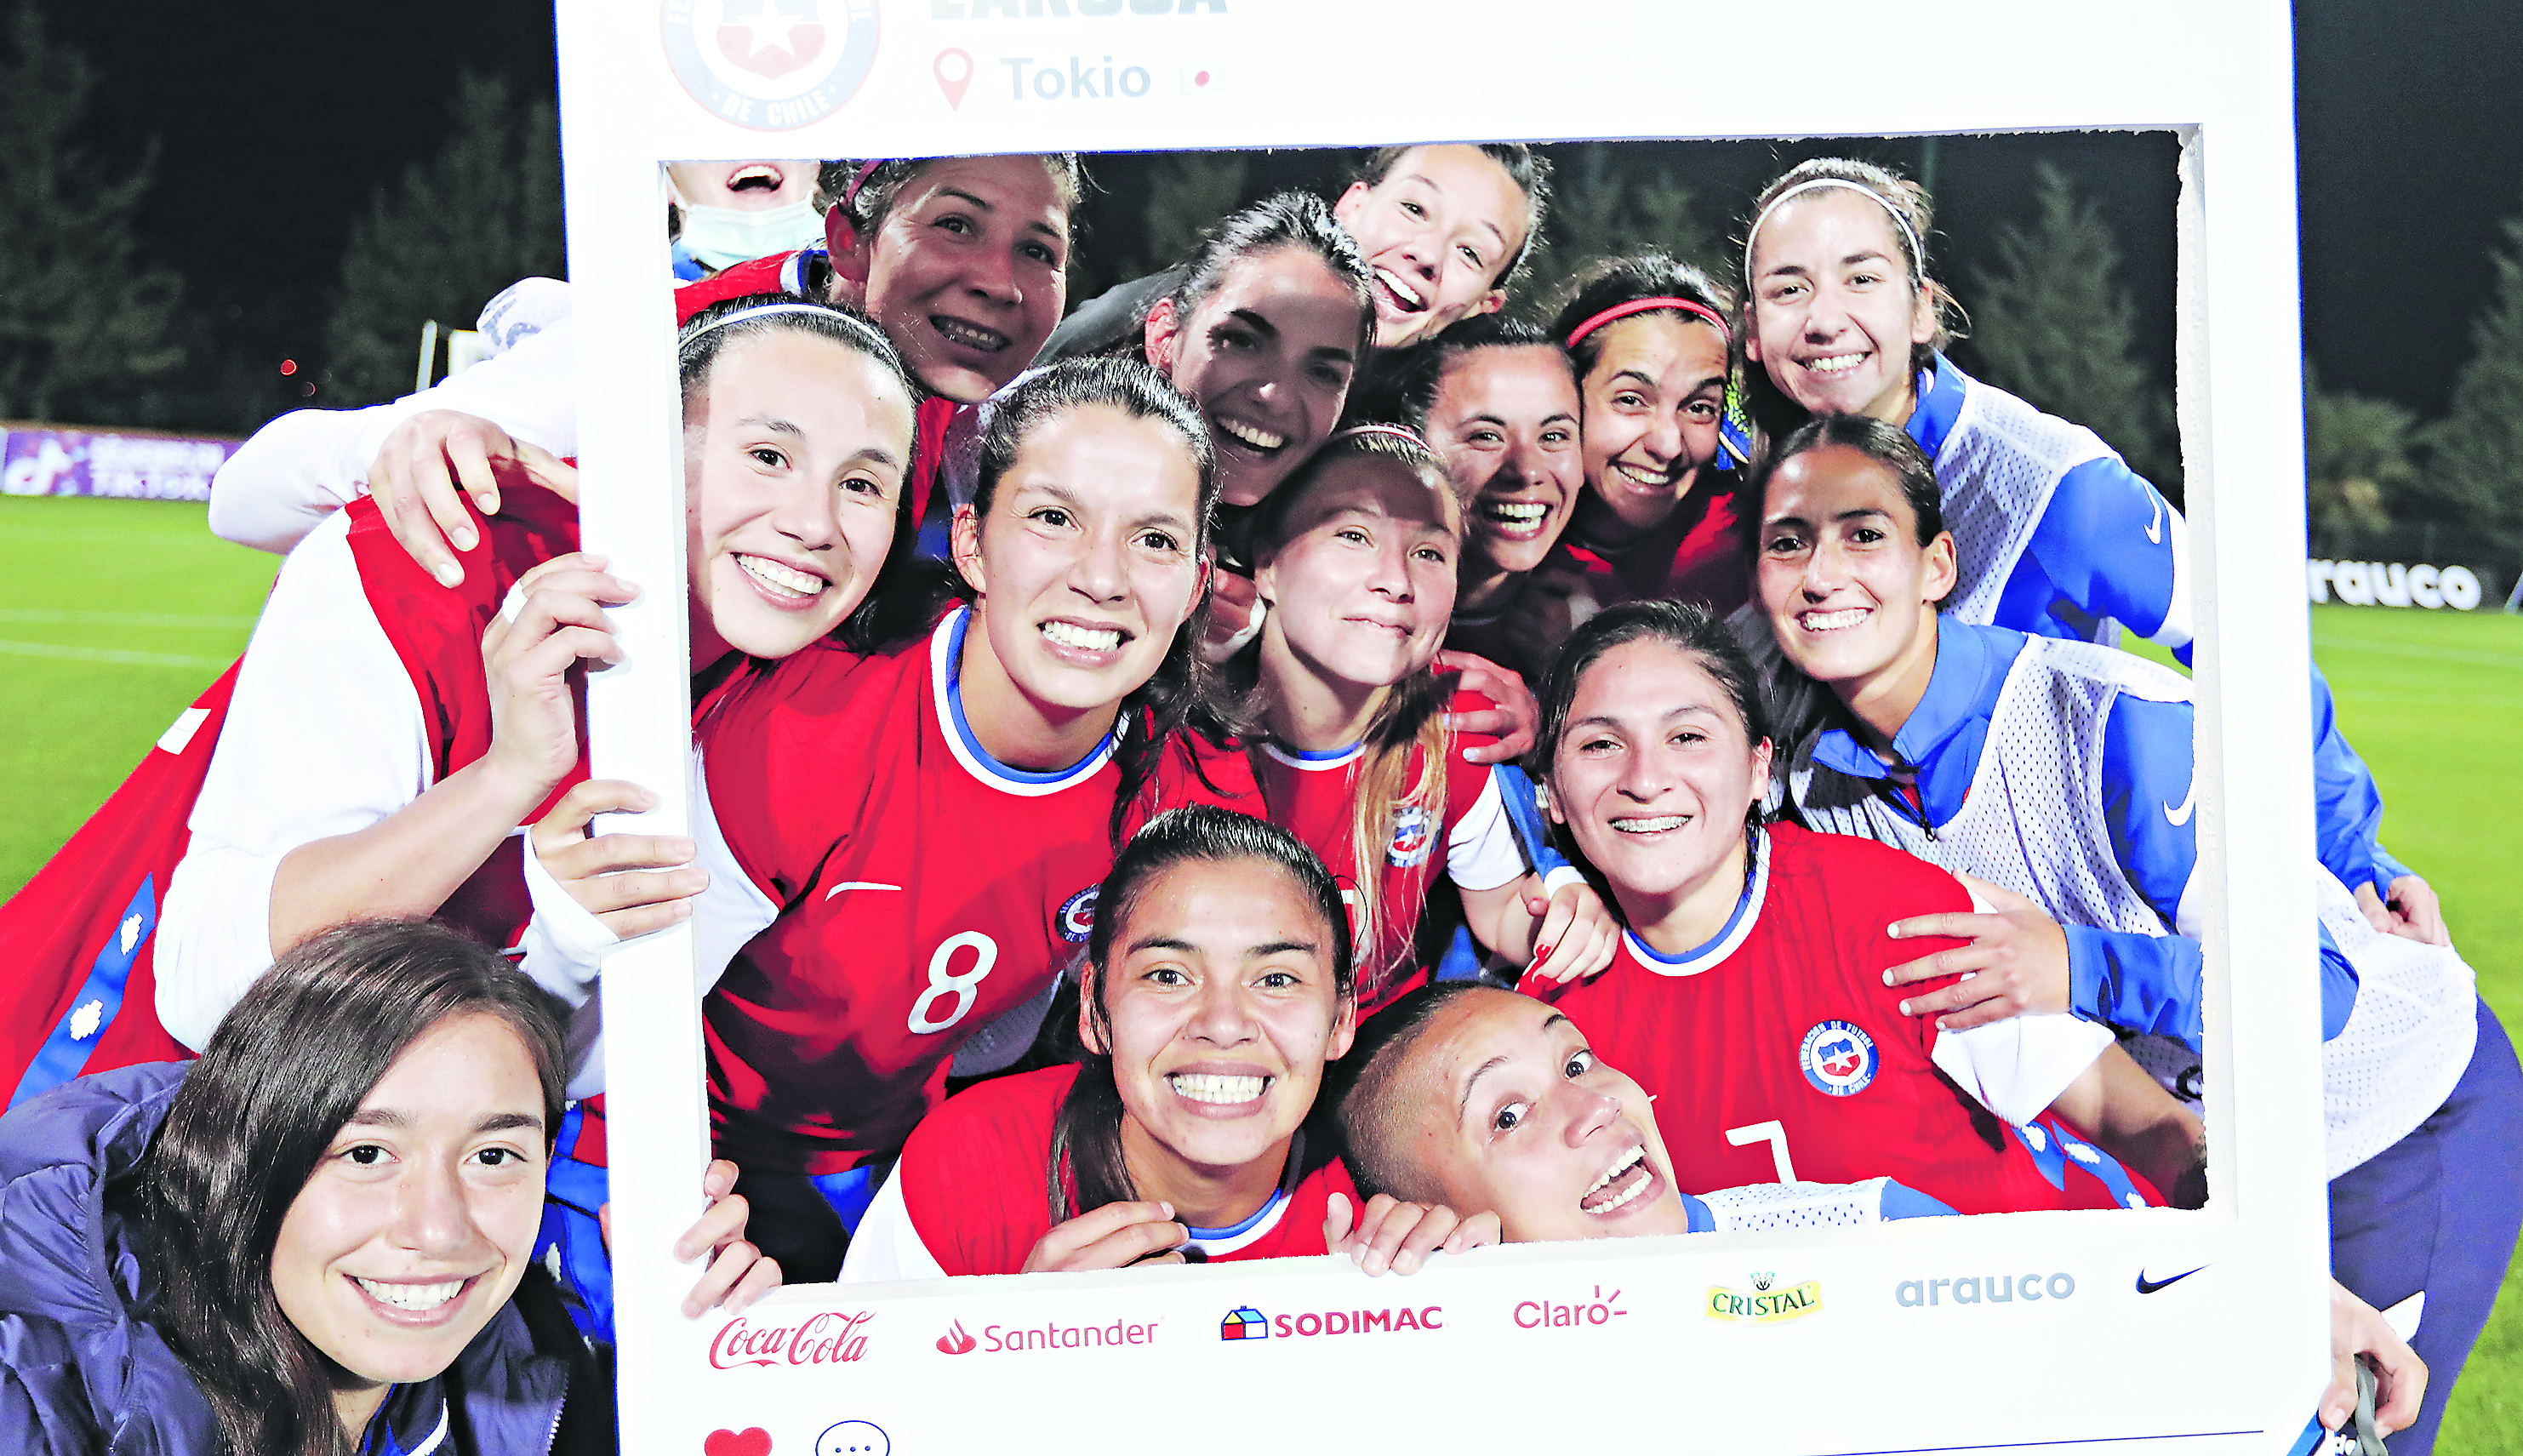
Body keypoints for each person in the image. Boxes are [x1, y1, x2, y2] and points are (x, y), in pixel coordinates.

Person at [1754, 417, 2518, 1456]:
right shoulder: (1819, 787)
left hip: (2389, 1114)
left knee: (2349, 1438)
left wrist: (2076, 965)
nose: (1823, 571)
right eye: (1789, 540)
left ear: (1937, 563)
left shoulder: (2112, 720)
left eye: (1863, 534)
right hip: (2199, 1150)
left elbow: (2320, 993)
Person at [0, 297, 921, 1117]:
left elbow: (588, 1064)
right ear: (649, 454)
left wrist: (564, 950)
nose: (814, 522)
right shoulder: (431, 566)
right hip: (122, 1145)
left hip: (395, 1207)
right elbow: (209, 989)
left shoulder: (801, 702)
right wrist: (506, 779)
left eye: (862, 484)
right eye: (766, 457)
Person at [543, 357, 1257, 1280]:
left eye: (1153, 540)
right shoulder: (806, 734)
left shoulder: (1182, 794)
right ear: (970, 545)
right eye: (1052, 519)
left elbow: (995, 1032)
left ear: (1197, 581)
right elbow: (613, 1037)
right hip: (664, 1152)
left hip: (887, 1169)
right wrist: (661, 1198)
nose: (1102, 579)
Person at [1735, 156, 2441, 941]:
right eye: (1788, 288)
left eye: (1861, 278)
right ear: (1753, 332)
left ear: (1922, 309)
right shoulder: (1758, 486)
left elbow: (2245, 644)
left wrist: (2357, 863)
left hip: (2069, 946)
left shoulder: (2050, 481)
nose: (1823, 318)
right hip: (1875, 930)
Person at [1329, 979, 2428, 1450]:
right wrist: (1400, 1314)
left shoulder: (1846, 1229)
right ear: (1431, 1217)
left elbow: (2088, 1311)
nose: (1592, 1103)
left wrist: (2277, 1302)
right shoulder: (1444, 1381)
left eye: (1576, 1055)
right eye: (1509, 1111)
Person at [1526, 598, 2209, 1214]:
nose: (1645, 779)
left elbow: (2134, 1121)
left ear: (1759, 769)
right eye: (1600, 744)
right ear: (1552, 792)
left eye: (1688, 737)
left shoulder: (1891, 912)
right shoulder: (1547, 1027)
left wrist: (2256, 1263)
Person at [0, 918, 777, 1456]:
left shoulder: (546, 1360)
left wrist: (692, 1369)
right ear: (242, 1159)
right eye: (368, 1153)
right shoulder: (36, 1396)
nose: (437, 1229)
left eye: (495, 1155)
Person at [206, 151, 1084, 585]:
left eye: (1037, 248)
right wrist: (418, 445)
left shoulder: (1006, 414)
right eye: (956, 226)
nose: (996, 280)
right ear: (852, 233)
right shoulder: (641, 337)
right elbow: (248, 492)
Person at [842, 806, 1493, 1280]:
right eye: (1167, 974)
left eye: (1274, 977)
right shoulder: (971, 1162)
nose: (1222, 1020)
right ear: (1096, 1010)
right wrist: (1020, 1351)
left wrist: (1429, 1319)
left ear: (1341, 1017)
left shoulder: (1389, 1188)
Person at [1221, 425, 1614, 1012]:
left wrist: (1567, 915)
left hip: (1379, 1061)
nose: (1396, 580)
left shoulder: (1456, 724)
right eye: (1352, 535)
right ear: (1267, 564)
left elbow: (1502, 910)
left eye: (1429, 552)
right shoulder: (1177, 737)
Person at [1042, 143, 1552, 362]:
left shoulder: (1426, 440)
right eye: (1415, 209)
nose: (1428, 255)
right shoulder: (1171, 312)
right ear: (1352, 205)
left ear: (1484, 306)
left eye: (1470, 253)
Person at [1350, 317, 1588, 685]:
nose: (1526, 470)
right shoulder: (1342, 604)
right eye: (1486, 436)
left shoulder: (1586, 624)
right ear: (1410, 441)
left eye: (1555, 436)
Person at [1549, 254, 1755, 617]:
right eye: (1631, 400)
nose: (1668, 445)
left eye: (1699, 408)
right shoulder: (1506, 532)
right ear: (1565, 391)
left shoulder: (1748, 543)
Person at [665, 159, 826, 280]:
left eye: (775, 125)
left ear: (815, 167)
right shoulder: (651, 294)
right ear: (667, 176)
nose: (751, 147)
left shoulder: (847, 278)